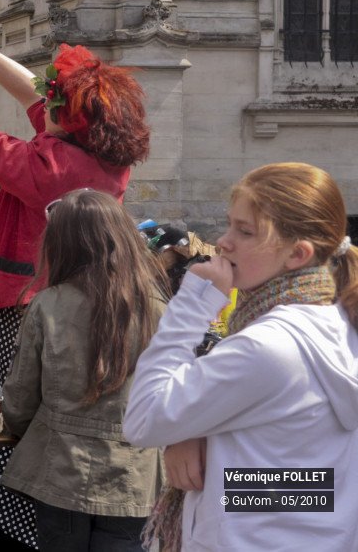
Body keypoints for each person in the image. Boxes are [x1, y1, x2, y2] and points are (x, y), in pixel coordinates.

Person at [0, 13, 151, 549]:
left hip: (30, 306)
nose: (46, 109)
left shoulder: (59, 166)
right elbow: (39, 95)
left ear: (75, 120)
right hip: (75, 303)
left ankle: (15, 529)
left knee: (18, 426)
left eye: (57, 107)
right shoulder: (101, 152)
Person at [124, 162, 358, 551]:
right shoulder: (337, 325)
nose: (223, 242)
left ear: (297, 254)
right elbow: (318, 487)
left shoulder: (269, 346)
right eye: (230, 224)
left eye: (244, 231)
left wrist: (192, 306)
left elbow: (144, 418)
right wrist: (199, 432)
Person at [2, 190, 168, 551]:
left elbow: (19, 401)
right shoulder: (156, 307)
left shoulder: (48, 305)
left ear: (62, 245)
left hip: (61, 470)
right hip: (133, 474)